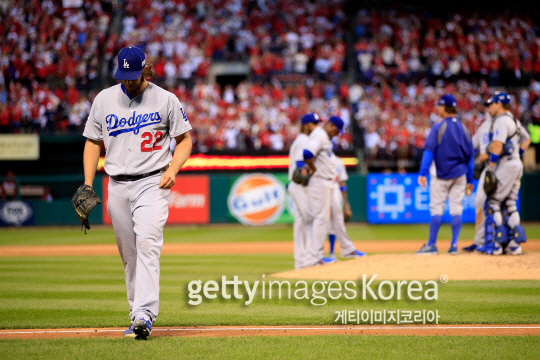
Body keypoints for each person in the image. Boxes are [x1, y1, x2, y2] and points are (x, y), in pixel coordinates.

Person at [81, 46, 192, 340]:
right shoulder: (104, 99)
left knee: (147, 244)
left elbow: (184, 140)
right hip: (116, 183)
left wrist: (173, 169)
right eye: (124, 76)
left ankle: (145, 314)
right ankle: (136, 315)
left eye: (134, 75)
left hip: (152, 183)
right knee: (129, 255)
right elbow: (93, 142)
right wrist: (88, 184)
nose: (129, 81)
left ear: (146, 69)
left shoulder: (166, 99)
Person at [463, 97, 530, 253]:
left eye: (491, 104)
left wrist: (491, 166)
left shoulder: (500, 121)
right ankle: (513, 245)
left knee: (492, 202)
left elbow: (497, 146)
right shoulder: (513, 119)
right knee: (510, 204)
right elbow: (526, 140)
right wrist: (516, 154)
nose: (488, 108)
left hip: (501, 164)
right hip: (514, 163)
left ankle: (495, 245)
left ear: (499, 104)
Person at [416, 94, 474, 255]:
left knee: (436, 209)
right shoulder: (465, 129)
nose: (438, 109)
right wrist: (470, 178)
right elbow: (470, 158)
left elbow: (429, 152)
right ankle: (454, 245)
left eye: (439, 106)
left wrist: (422, 172)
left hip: (440, 174)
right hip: (460, 174)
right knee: (456, 209)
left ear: (445, 107)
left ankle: (432, 245)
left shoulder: (438, 127)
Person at [302, 116, 358, 266]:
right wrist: (313, 168)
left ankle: (340, 250)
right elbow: (307, 153)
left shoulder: (324, 136)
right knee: (321, 219)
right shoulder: (319, 135)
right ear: (331, 125)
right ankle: (314, 257)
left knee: (329, 218)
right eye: (336, 131)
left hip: (326, 182)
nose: (337, 134)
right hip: (319, 181)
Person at [288, 113, 319, 269]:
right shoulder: (304, 141)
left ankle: (301, 260)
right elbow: (301, 166)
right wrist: (311, 173)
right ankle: (307, 258)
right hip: (300, 185)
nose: (315, 126)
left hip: (297, 185)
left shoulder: (301, 140)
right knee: (310, 219)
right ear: (305, 125)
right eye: (313, 123)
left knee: (301, 221)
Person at [323, 153, 366, 262]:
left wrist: (346, 203)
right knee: (321, 222)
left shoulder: (338, 161)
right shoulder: (319, 159)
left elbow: (342, 183)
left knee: (337, 221)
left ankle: (336, 252)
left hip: (334, 188)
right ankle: (319, 255)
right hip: (321, 189)